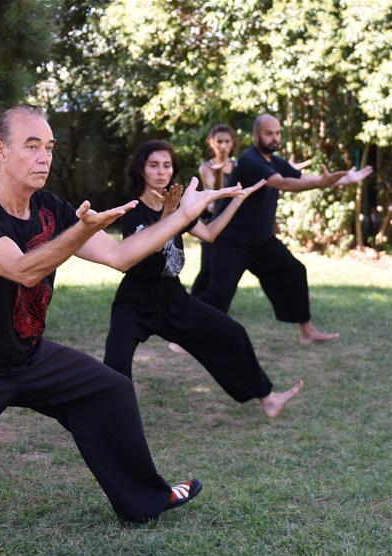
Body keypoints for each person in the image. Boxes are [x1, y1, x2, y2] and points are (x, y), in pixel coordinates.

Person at [0, 105, 242, 556]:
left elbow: (122, 256)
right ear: (0, 151)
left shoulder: (52, 209)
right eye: (31, 146)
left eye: (49, 147)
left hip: (28, 353)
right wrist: (81, 231)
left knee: (110, 389)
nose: (44, 157)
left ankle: (145, 498)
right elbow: (23, 269)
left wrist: (182, 217)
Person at [103, 140, 303, 418]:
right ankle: (112, 420)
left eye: (167, 165)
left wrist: (237, 202)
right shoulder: (132, 209)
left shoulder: (178, 207)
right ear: (141, 169)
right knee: (115, 363)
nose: (161, 172)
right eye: (153, 165)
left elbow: (210, 234)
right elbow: (142, 250)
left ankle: (268, 399)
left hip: (173, 297)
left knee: (232, 333)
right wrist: (168, 213)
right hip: (135, 299)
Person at [198, 114, 373, 345]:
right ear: (256, 135)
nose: (275, 138)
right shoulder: (250, 160)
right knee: (219, 294)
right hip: (231, 240)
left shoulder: (274, 161)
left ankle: (307, 331)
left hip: (261, 241)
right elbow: (283, 183)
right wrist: (323, 182)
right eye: (269, 133)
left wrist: (341, 180)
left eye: (278, 133)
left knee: (294, 272)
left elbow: (302, 176)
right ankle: (186, 337)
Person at [189, 124, 237, 297]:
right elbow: (217, 195)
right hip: (212, 220)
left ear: (232, 143)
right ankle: (193, 300)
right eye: (219, 141)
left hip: (233, 221)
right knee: (208, 268)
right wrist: (218, 173)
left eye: (227, 141)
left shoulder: (239, 165)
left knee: (227, 268)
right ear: (211, 142)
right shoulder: (205, 167)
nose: (223, 146)